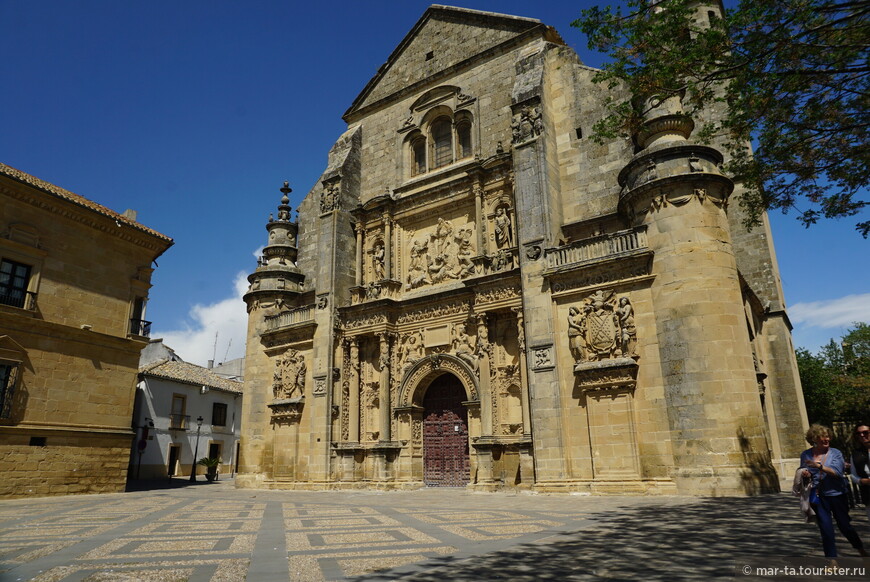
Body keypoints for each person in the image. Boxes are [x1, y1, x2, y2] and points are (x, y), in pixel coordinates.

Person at [800, 424, 868, 557]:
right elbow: (803, 470)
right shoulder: (806, 454)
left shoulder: (835, 453)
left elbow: (837, 472)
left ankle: (861, 550)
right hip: (818, 496)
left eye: (828, 436)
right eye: (823, 437)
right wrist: (806, 474)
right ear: (814, 439)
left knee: (845, 526)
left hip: (837, 494)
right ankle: (832, 560)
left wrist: (819, 466)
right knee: (826, 529)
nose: (827, 439)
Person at [850, 422, 870, 521]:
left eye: (865, 432)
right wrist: (862, 481)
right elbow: (853, 476)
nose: (862, 435)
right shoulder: (855, 454)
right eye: (859, 433)